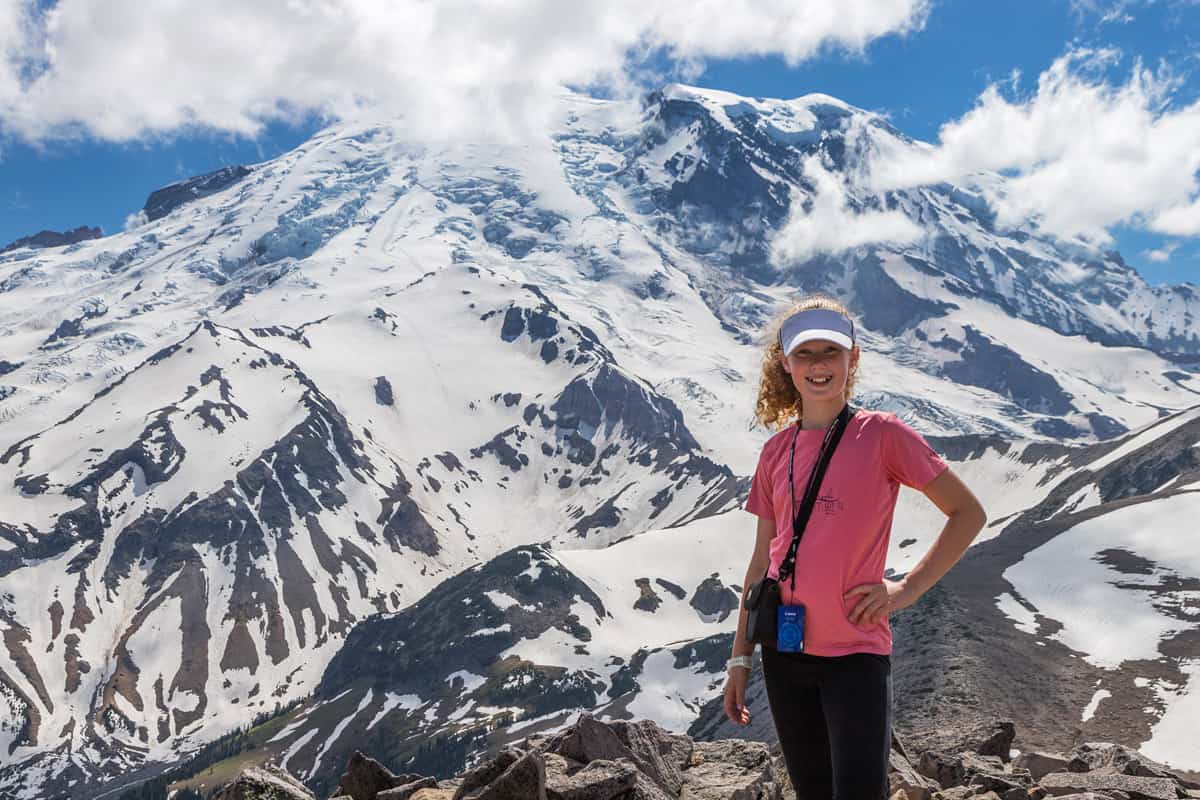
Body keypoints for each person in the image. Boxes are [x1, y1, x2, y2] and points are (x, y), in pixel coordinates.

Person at [722, 295, 986, 800]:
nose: (818, 365)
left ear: (853, 358)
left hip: (856, 654)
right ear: (785, 362)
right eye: (805, 354)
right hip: (784, 652)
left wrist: (906, 588)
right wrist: (740, 660)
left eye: (831, 352)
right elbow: (762, 563)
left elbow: (968, 513)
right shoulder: (775, 451)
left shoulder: (883, 435)